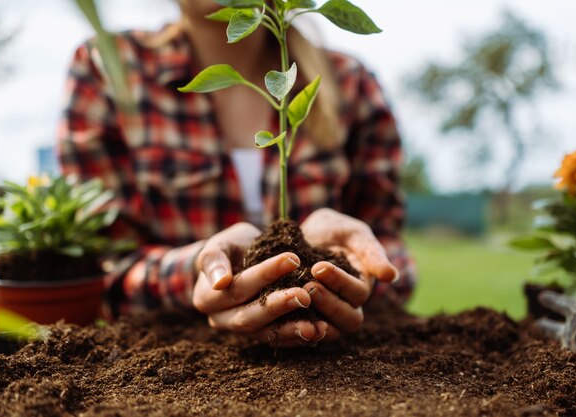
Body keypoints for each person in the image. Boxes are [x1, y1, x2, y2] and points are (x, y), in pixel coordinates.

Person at [57, 0, 416, 347]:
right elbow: (102, 269)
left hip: (328, 357)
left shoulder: (348, 83)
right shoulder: (109, 69)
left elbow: (392, 252)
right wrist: (204, 272)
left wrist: (359, 270)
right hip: (179, 364)